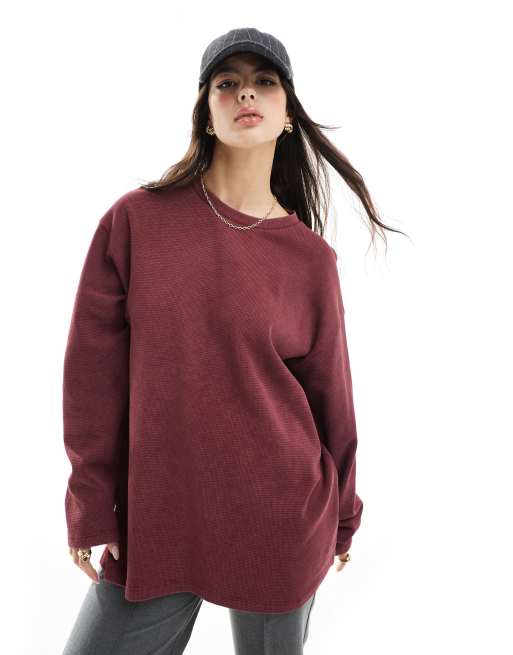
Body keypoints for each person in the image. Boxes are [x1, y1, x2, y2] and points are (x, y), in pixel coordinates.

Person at [62, 26, 402, 655]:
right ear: (206, 113)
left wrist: (344, 515)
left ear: (287, 115)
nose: (246, 93)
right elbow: (92, 376)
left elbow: (332, 398)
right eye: (228, 83)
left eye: (264, 82)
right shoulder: (136, 222)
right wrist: (90, 500)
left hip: (281, 515)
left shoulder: (310, 260)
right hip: (160, 515)